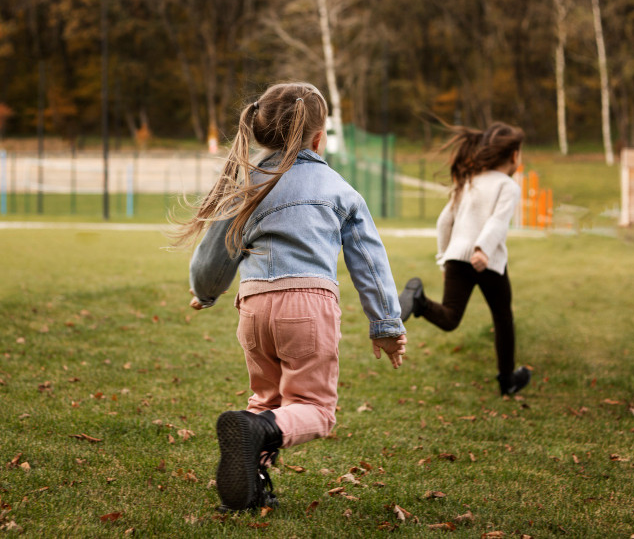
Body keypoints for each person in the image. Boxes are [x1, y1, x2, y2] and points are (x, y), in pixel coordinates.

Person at [171, 82, 407, 512]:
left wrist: (205, 293)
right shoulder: (337, 187)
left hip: (254, 307)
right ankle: (256, 440)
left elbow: (216, 250)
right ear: (319, 138)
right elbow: (369, 261)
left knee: (265, 404)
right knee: (315, 409)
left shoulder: (248, 183)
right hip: (308, 306)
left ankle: (250, 489)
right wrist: (386, 325)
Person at [398, 121, 531, 397]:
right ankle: (507, 380)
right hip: (486, 261)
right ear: (514, 155)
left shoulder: (469, 181)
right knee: (503, 317)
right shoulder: (507, 185)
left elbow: (444, 221)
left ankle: (420, 301)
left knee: (450, 318)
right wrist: (482, 249)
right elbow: (498, 221)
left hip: (456, 258)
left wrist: (444, 258)